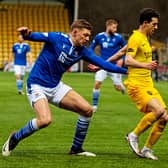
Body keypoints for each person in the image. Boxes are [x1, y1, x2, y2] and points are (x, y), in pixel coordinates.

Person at [2, 19, 127, 157]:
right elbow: (35, 36)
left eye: (89, 36)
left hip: (56, 86)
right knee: (45, 120)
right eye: (85, 35)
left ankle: (76, 149)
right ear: (74, 32)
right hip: (37, 85)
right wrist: (26, 35)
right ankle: (14, 138)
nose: (87, 39)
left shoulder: (82, 51)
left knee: (87, 110)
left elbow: (104, 64)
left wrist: (127, 71)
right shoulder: (56, 38)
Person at [125, 8, 168, 160]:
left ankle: (146, 149)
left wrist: (102, 64)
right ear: (145, 23)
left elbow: (120, 53)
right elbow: (127, 60)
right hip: (136, 84)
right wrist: (146, 66)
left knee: (164, 117)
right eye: (154, 24)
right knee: (158, 110)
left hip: (148, 85)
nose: (156, 27)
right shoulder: (135, 38)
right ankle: (133, 135)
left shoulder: (145, 38)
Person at [90, 19, 127, 112]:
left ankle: (121, 87)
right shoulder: (99, 36)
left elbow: (127, 49)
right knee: (97, 83)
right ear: (108, 26)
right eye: (114, 27)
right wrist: (91, 59)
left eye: (116, 27)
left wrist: (122, 59)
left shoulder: (118, 38)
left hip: (114, 67)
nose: (115, 29)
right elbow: (91, 48)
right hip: (102, 65)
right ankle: (94, 106)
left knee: (117, 88)